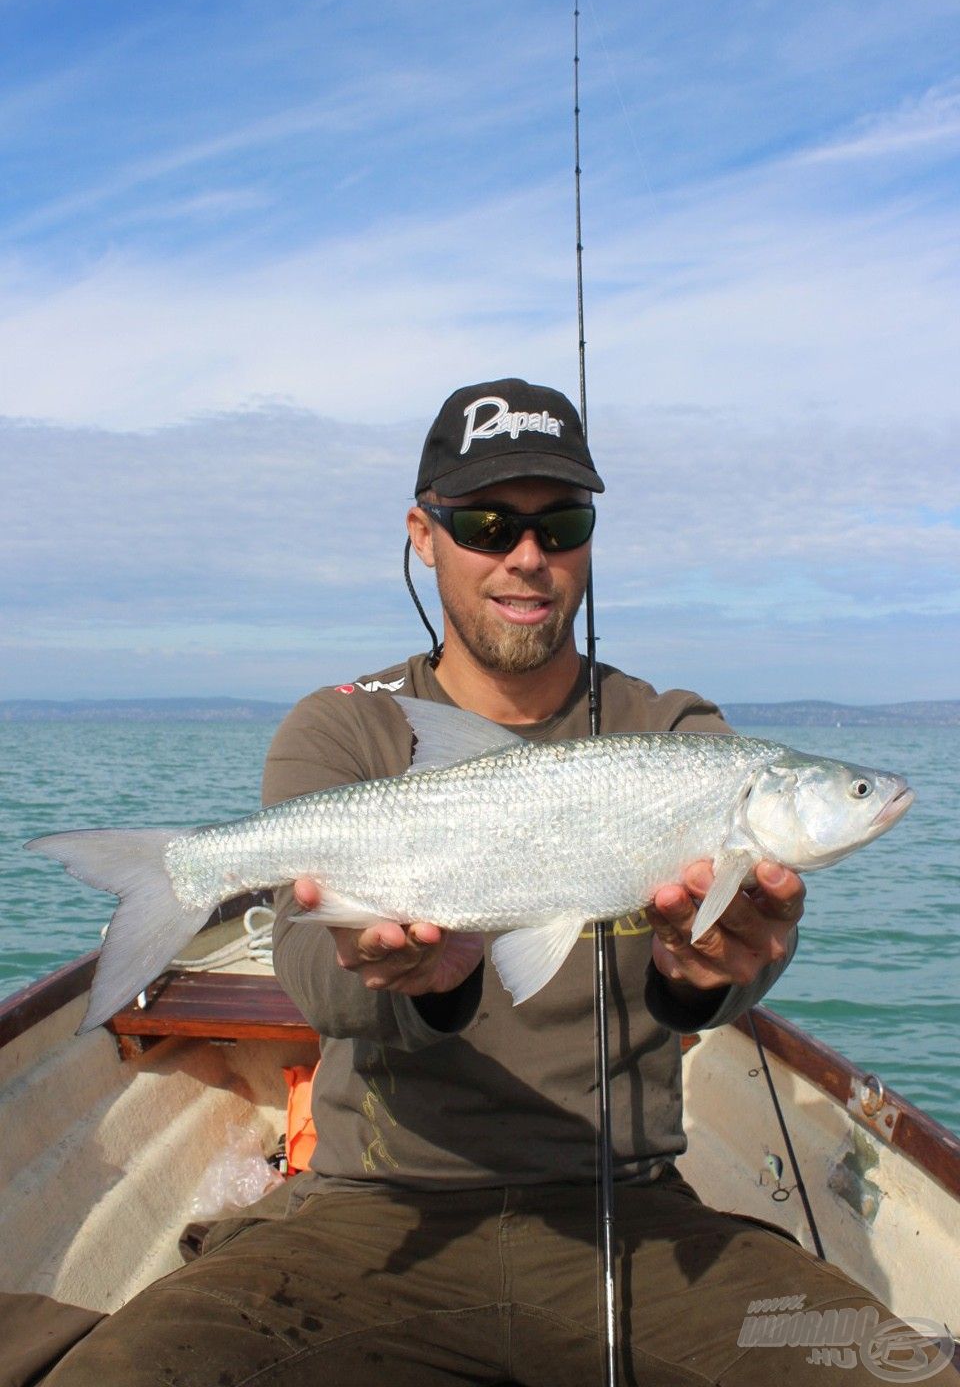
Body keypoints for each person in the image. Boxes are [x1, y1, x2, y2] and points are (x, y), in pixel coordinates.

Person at [42, 379, 957, 1385]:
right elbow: (316, 978)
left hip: (630, 1218)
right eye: (486, 523)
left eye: (561, 523)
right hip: (370, 1219)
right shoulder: (343, 726)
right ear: (423, 536)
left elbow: (725, 971)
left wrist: (716, 975)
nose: (529, 555)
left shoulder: (680, 731)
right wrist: (414, 980)